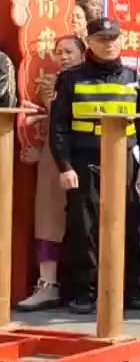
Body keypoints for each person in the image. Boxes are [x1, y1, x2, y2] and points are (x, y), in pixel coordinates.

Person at [49, 16, 140, 314]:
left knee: (128, 225)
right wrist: (64, 166)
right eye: (103, 39)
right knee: (84, 227)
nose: (110, 45)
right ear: (89, 42)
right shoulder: (70, 78)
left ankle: (128, 290)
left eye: (114, 39)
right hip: (84, 159)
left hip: (124, 160)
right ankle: (84, 292)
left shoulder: (134, 77)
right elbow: (59, 128)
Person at [16, 35, 85, 311]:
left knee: (86, 224)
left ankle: (85, 286)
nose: (63, 56)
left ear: (84, 52)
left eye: (69, 51)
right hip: (53, 158)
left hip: (87, 155)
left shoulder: (94, 80)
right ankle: (48, 284)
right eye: (58, 52)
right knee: (48, 219)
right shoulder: (50, 83)